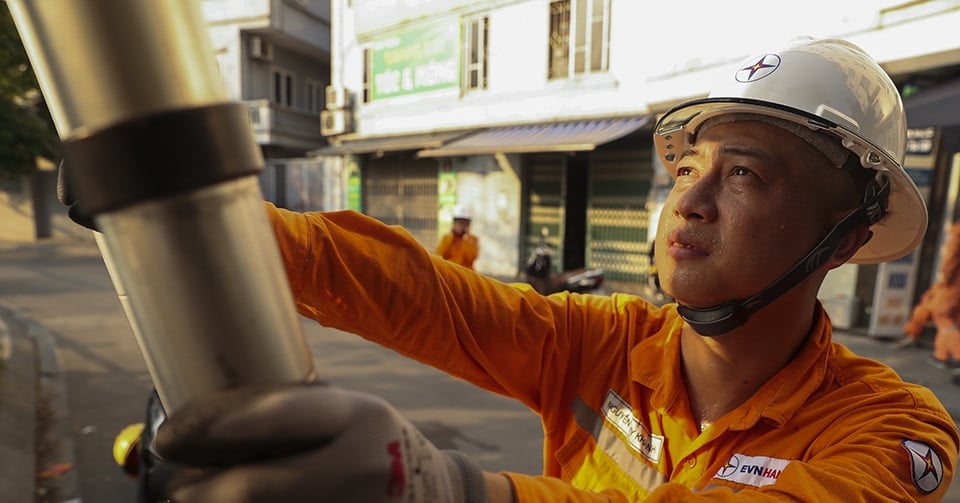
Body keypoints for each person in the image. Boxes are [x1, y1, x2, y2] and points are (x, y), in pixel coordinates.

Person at [69, 37, 959, 502]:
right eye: (687, 167)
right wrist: (202, 222)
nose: (689, 200)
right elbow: (423, 293)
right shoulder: (606, 343)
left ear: (843, 240)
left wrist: (445, 486)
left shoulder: (893, 428)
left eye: (745, 173)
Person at [903, 222, 960, 369]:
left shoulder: (957, 232)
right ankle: (940, 356)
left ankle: (956, 354)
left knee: (942, 317)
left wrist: (945, 279)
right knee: (945, 318)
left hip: (953, 284)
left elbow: (951, 257)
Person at [436, 205, 480, 269]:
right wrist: (452, 236)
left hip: (467, 274)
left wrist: (466, 239)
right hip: (450, 272)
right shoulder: (446, 238)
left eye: (465, 224)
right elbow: (440, 254)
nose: (462, 226)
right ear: (454, 223)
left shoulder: (473, 240)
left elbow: (471, 258)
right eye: (459, 223)